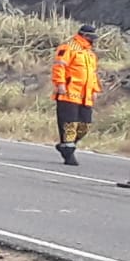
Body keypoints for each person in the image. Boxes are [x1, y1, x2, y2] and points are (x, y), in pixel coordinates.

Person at [51, 23, 101, 166]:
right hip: (68, 93)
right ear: (84, 35)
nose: (93, 40)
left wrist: (95, 90)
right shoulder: (68, 48)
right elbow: (59, 67)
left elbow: (92, 74)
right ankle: (68, 151)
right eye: (91, 37)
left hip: (85, 96)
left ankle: (65, 145)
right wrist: (60, 84)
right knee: (69, 124)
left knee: (85, 126)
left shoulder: (90, 54)